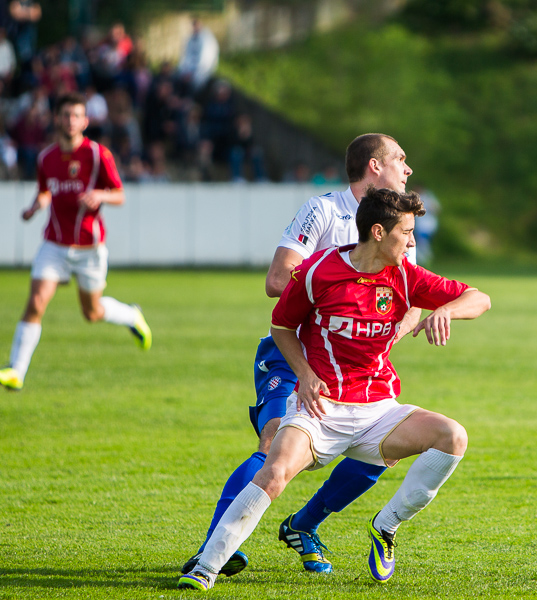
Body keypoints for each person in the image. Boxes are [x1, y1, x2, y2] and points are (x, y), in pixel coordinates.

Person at [178, 186, 491, 591]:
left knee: (453, 437)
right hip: (320, 410)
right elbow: (281, 325)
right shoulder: (319, 272)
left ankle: (386, 527)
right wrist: (305, 374)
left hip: (378, 411)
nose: (413, 241)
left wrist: (446, 310)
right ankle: (205, 568)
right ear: (378, 232)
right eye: (406, 232)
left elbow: (479, 298)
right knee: (274, 472)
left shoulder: (406, 276)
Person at [179, 133, 421, 578]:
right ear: (373, 166)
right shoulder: (325, 210)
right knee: (274, 440)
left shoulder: (398, 224)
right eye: (400, 159)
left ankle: (303, 525)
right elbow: (278, 278)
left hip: (353, 364)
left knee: (381, 450)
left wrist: (395, 328)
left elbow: (412, 292)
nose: (408, 169)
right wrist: (341, 289)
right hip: (293, 354)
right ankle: (212, 548)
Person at [0, 93, 151, 392]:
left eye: (76, 115)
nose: (70, 121)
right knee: (36, 302)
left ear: (85, 121)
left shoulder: (98, 155)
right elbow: (45, 191)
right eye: (65, 115)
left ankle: (132, 315)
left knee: (91, 312)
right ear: (57, 119)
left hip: (89, 248)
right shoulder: (46, 158)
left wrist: (101, 195)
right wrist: (36, 206)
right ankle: (16, 371)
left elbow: (119, 193)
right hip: (54, 244)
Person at [176, 18, 219, 96]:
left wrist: (192, 74)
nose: (194, 29)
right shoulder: (190, 39)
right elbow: (184, 56)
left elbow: (205, 60)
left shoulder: (207, 39)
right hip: (189, 71)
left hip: (201, 72)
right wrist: (184, 71)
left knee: (194, 86)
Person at [412, 185, 440, 266]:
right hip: (421, 225)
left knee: (422, 243)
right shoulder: (418, 197)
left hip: (427, 225)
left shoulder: (427, 197)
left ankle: (426, 259)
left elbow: (436, 209)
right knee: (421, 243)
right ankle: (424, 259)